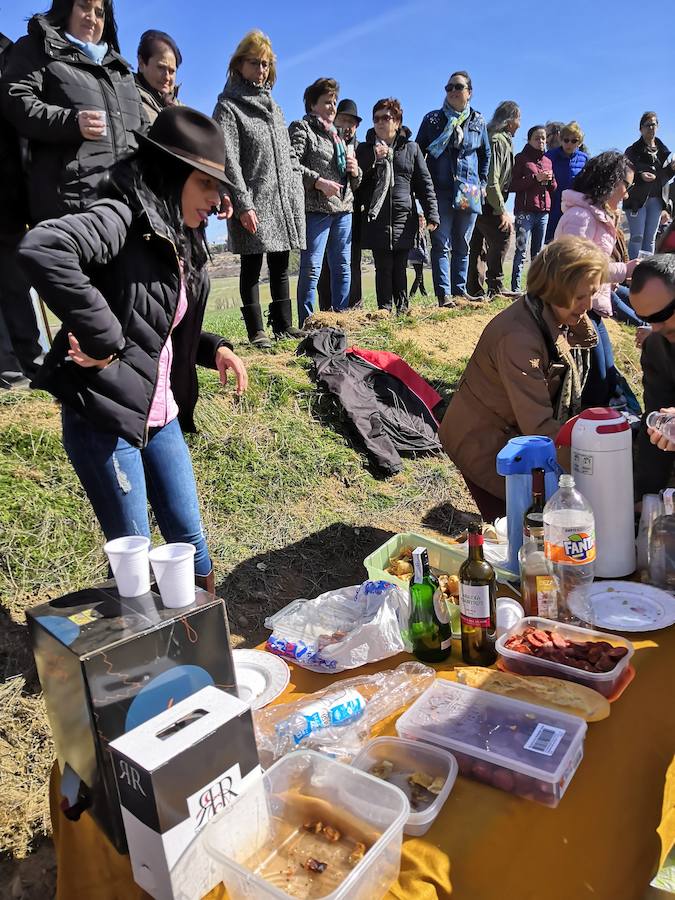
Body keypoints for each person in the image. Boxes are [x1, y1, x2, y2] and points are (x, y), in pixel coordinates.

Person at [16, 107, 248, 593]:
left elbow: (155, 324)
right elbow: (44, 248)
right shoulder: (122, 215)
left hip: (160, 412)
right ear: (173, 173)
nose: (217, 199)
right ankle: (143, 641)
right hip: (103, 414)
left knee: (190, 542)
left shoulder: (180, 236)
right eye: (207, 184)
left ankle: (204, 633)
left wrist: (214, 349)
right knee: (134, 558)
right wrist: (103, 339)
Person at [438, 236, 602, 520]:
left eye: (593, 293)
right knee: (519, 526)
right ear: (552, 289)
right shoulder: (518, 340)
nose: (588, 304)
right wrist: (590, 473)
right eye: (579, 297)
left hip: (513, 441)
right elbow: (539, 427)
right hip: (486, 446)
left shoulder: (557, 316)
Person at [0, 0, 146, 224]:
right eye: (84, 7)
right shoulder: (36, 48)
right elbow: (16, 100)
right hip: (69, 212)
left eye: (99, 12)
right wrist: (71, 122)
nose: (92, 18)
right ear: (66, 7)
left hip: (128, 212)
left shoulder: (122, 72)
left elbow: (145, 134)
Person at [213, 30, 305, 347]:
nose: (261, 70)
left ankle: (283, 325)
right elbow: (228, 158)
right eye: (254, 63)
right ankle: (256, 332)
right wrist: (243, 204)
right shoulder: (228, 107)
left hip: (281, 200)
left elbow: (287, 153)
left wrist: (295, 185)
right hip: (252, 198)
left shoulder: (275, 108)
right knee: (251, 265)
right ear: (239, 64)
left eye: (266, 64)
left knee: (280, 263)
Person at [554, 151, 639, 406]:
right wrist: (625, 270)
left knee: (606, 375)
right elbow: (575, 269)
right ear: (611, 180)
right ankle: (587, 423)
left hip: (591, 306)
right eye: (626, 185)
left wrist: (614, 278)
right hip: (575, 307)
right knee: (598, 378)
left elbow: (594, 264)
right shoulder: (580, 217)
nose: (627, 194)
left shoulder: (595, 216)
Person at [355, 98, 438, 314]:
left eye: (386, 117)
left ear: (398, 121)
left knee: (400, 266)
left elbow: (424, 183)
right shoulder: (365, 149)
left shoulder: (411, 148)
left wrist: (432, 214)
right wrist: (373, 158)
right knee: (382, 267)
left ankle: (402, 310)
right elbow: (357, 181)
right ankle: (384, 310)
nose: (380, 122)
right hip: (377, 218)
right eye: (376, 119)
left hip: (404, 216)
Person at [289, 78, 361, 326]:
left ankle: (341, 322)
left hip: (344, 209)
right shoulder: (302, 128)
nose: (332, 107)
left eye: (334, 102)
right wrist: (318, 181)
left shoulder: (338, 136)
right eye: (327, 102)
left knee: (342, 268)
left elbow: (354, 180)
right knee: (311, 269)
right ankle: (308, 323)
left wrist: (355, 171)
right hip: (316, 210)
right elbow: (291, 164)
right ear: (312, 104)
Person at [416, 70, 490, 306]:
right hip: (439, 190)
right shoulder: (432, 120)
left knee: (463, 243)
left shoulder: (478, 121)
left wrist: (483, 183)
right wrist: (423, 187)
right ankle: (444, 295)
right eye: (449, 88)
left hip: (469, 190)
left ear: (470, 92)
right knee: (441, 243)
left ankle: (459, 292)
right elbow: (418, 152)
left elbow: (485, 154)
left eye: (458, 87)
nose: (453, 91)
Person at [0, 32, 42, 390]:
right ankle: (9, 368)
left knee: (15, 282)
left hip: (11, 194)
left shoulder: (11, 54)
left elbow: (25, 131)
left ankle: (29, 362)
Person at [629, 255, 675, 495]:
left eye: (660, 316)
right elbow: (655, 419)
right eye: (646, 319)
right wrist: (645, 495)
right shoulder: (658, 347)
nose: (655, 328)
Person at [467, 100, 520, 299]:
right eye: (518, 119)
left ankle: (474, 288)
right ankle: (495, 286)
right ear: (510, 120)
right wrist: (501, 209)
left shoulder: (496, 137)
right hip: (486, 200)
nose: (519, 124)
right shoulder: (497, 140)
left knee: (477, 242)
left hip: (476, 197)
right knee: (503, 234)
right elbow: (492, 179)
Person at [317, 99, 363, 311]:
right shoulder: (326, 143)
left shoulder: (361, 148)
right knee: (325, 266)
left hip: (353, 213)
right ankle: (326, 310)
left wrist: (356, 171)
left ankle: (352, 309)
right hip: (325, 210)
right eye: (343, 120)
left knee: (350, 264)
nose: (347, 126)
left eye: (351, 122)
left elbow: (363, 183)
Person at [510, 125, 557, 292]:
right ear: (529, 140)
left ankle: (534, 289)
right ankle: (515, 289)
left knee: (537, 254)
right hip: (525, 212)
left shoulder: (548, 161)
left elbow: (553, 188)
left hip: (543, 212)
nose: (541, 141)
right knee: (521, 250)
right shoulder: (521, 158)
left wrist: (550, 179)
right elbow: (512, 185)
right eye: (537, 138)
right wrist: (535, 178)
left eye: (543, 138)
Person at [624, 112, 675, 259]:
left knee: (650, 239)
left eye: (654, 124)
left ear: (658, 126)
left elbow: (663, 178)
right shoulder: (632, 150)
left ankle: (646, 269)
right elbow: (625, 170)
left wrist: (671, 169)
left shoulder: (664, 152)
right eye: (647, 125)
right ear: (641, 129)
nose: (651, 128)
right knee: (637, 237)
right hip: (636, 200)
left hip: (657, 200)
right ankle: (633, 269)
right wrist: (640, 175)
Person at [545, 121, 588, 242]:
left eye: (574, 141)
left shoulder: (584, 159)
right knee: (551, 240)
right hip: (554, 204)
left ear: (579, 142)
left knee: (572, 241)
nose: (569, 143)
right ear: (561, 139)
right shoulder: (550, 156)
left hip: (575, 207)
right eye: (566, 140)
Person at [135, 29, 181, 124]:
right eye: (161, 68)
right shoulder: (125, 98)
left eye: (172, 71)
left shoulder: (183, 113)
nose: (167, 77)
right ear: (141, 63)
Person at [409, 214, 430, 298]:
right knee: (419, 277)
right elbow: (418, 246)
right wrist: (425, 257)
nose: (422, 222)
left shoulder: (422, 231)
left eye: (423, 220)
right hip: (416, 257)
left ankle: (424, 294)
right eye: (420, 220)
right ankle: (411, 295)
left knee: (420, 276)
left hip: (418, 257)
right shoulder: (417, 231)